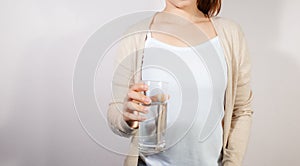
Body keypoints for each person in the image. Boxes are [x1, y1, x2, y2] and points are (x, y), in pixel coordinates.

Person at [107, 0, 254, 165]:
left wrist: (231, 163)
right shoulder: (136, 35)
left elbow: (241, 110)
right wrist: (127, 117)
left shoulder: (230, 34)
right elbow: (115, 111)